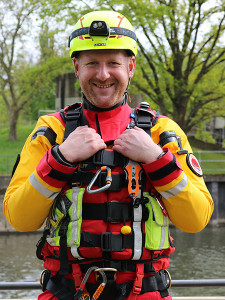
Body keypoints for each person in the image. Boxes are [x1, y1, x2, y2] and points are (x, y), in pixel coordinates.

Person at [3, 10, 214, 300]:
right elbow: (19, 219)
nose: (103, 75)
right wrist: (61, 159)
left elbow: (196, 219)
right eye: (92, 63)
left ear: (131, 67)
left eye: (113, 63)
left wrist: (156, 159)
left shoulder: (163, 133)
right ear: (77, 68)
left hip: (145, 293)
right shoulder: (51, 132)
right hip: (68, 292)